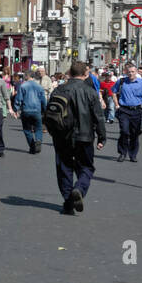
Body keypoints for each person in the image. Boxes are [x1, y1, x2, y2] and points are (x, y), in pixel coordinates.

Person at [50, 61, 107, 215]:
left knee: (64, 168)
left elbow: (50, 113)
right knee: (87, 167)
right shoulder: (90, 92)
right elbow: (98, 117)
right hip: (85, 135)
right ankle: (79, 188)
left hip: (62, 136)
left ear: (70, 73)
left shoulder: (59, 90)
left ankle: (68, 203)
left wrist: (53, 132)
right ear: (86, 74)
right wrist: (102, 137)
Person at [112, 63, 142, 162]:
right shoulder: (121, 81)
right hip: (124, 110)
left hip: (136, 110)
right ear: (126, 72)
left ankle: (133, 155)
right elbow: (113, 92)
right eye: (129, 72)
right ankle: (122, 153)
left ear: (136, 72)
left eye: (133, 72)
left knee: (135, 133)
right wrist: (116, 104)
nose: (131, 73)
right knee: (124, 131)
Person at [14, 69, 48, 153]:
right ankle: (38, 140)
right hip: (37, 110)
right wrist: (45, 110)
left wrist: (16, 109)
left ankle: (32, 147)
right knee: (38, 128)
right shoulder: (39, 87)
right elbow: (43, 100)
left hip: (26, 110)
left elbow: (18, 99)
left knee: (27, 130)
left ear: (26, 76)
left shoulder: (23, 86)